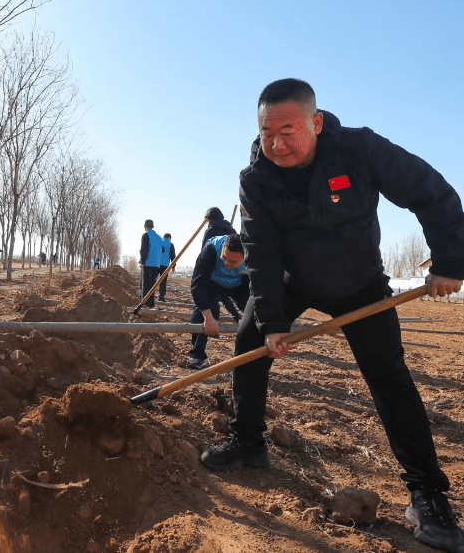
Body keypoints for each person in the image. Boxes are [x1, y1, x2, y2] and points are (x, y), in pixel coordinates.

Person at [201, 79, 464, 553]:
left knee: (388, 375)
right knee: (248, 344)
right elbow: (260, 251)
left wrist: (449, 261)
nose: (277, 144)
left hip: (360, 285)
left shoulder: (360, 150)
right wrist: (275, 321)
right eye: (267, 133)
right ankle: (247, 440)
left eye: (288, 130)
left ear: (315, 122)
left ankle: (427, 493)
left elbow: (431, 192)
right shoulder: (255, 178)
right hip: (293, 279)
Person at [186, 234, 249, 369]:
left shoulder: (254, 254)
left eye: (233, 262)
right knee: (203, 310)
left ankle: (250, 357)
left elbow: (259, 287)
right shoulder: (211, 249)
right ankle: (196, 357)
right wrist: (208, 317)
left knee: (253, 313)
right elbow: (197, 285)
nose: (227, 263)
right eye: (224, 258)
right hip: (212, 282)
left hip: (239, 284)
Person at [138, 220, 164, 308]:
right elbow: (163, 250)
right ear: (153, 226)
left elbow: (144, 250)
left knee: (145, 284)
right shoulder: (159, 237)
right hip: (156, 265)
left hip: (148, 263)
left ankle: (144, 304)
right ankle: (151, 303)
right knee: (152, 285)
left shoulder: (146, 235)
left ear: (145, 226)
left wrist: (142, 260)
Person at [158, 232, 176, 302]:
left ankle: (149, 297)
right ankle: (161, 297)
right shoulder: (171, 244)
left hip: (156, 264)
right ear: (169, 238)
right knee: (163, 281)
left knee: (153, 280)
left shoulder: (159, 242)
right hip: (165, 265)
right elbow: (173, 256)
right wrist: (173, 266)